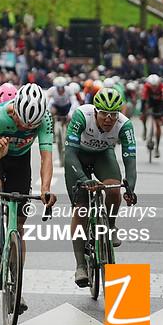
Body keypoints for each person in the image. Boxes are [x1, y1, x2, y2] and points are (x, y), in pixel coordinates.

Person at [0, 83, 57, 313]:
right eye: (20, 121)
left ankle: (16, 284)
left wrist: (45, 188)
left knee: (18, 226)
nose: (23, 127)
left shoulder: (45, 119)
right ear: (14, 109)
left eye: (30, 126)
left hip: (20, 162)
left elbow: (47, 157)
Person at [64, 88, 137, 287]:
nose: (109, 119)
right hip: (77, 157)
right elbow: (69, 154)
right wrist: (82, 178)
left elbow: (130, 160)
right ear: (96, 111)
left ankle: (110, 226)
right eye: (104, 113)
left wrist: (130, 187)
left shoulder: (125, 125)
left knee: (114, 189)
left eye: (113, 114)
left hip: (103, 156)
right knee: (81, 209)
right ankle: (80, 265)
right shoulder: (82, 115)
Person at [141, 74, 163, 157]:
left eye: (155, 86)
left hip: (159, 104)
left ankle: (157, 148)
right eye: (152, 86)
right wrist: (143, 112)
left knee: (158, 124)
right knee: (144, 114)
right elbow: (143, 100)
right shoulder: (146, 86)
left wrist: (162, 113)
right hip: (150, 101)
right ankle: (144, 128)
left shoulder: (162, 87)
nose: (154, 88)